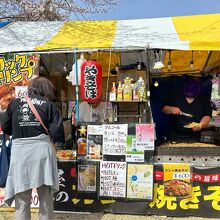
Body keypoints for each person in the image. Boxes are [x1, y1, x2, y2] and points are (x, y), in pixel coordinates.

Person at [1, 77, 65, 219]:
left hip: (20, 153)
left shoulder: (14, 104)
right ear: (46, 90)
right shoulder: (49, 106)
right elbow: (57, 131)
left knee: (22, 198)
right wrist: (58, 145)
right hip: (42, 152)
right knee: (45, 198)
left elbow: (5, 127)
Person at [162, 78, 212, 142]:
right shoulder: (175, 94)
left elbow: (207, 115)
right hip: (174, 135)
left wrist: (201, 125)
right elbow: (164, 109)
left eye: (192, 96)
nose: (190, 97)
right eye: (188, 96)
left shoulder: (204, 99)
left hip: (194, 136)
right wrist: (171, 109)